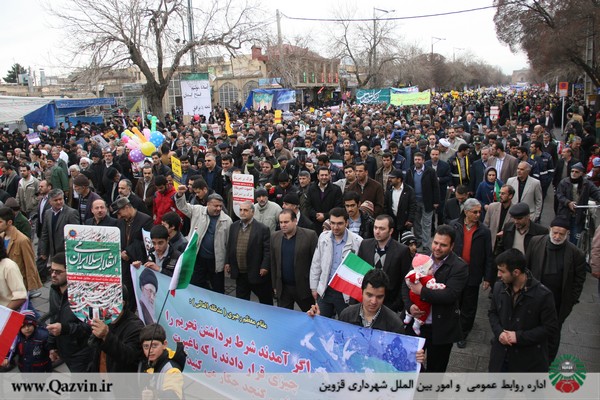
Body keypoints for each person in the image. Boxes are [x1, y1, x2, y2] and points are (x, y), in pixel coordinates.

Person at [307, 269, 425, 364]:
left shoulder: (394, 324)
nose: (373, 301)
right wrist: (317, 321)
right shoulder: (347, 315)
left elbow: (400, 358)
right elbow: (335, 344)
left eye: (379, 297)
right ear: (362, 291)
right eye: (369, 295)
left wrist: (413, 356)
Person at [403, 224, 468, 372]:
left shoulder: (459, 267)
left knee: (436, 372)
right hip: (416, 325)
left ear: (452, 246)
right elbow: (405, 285)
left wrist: (422, 291)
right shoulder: (422, 258)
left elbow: (450, 295)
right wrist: (409, 307)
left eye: (443, 245)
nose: (437, 248)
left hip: (441, 329)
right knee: (409, 365)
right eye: (435, 243)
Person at [525, 216, 587, 363]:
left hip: (557, 302)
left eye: (561, 234)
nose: (557, 236)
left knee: (552, 332)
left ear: (567, 234)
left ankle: (548, 360)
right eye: (555, 233)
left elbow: (578, 281)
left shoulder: (576, 254)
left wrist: (570, 301)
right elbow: (526, 267)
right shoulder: (535, 242)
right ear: (550, 230)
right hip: (534, 297)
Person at [489, 249, 559, 372]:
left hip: (527, 361)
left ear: (516, 272)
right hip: (500, 357)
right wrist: (499, 332)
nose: (498, 275)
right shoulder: (499, 287)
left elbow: (549, 328)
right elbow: (493, 313)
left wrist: (518, 337)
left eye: (502, 271)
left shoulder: (543, 295)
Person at [448, 199, 493, 348]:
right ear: (466, 212)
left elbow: (488, 255)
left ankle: (463, 332)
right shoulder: (454, 226)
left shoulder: (484, 231)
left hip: (473, 273)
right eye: (475, 212)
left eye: (480, 212)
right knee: (453, 301)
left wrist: (487, 277)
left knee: (469, 305)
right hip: (455, 272)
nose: (478, 215)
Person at [309, 207, 363, 318]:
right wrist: (314, 288)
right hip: (325, 289)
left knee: (345, 323)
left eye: (339, 223)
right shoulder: (323, 237)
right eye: (332, 223)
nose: (335, 227)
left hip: (345, 292)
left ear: (347, 223)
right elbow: (316, 264)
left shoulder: (358, 241)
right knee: (321, 322)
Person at [176, 188, 232, 293]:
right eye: (216, 206)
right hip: (198, 258)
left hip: (216, 261)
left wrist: (227, 262)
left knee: (218, 288)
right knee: (196, 285)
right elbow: (182, 206)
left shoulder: (227, 220)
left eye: (220, 206)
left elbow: (229, 243)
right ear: (208, 204)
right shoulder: (197, 211)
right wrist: (180, 195)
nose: (219, 208)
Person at [46, 252, 92, 372]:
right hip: (64, 349)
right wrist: (52, 346)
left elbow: (90, 326)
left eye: (58, 272)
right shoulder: (54, 290)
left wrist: (65, 329)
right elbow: (54, 317)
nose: (53, 275)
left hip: (82, 353)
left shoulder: (83, 294)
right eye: (51, 270)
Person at [357, 215, 412, 312]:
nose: (377, 231)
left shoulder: (402, 251)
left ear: (391, 231)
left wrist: (396, 304)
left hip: (389, 305)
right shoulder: (365, 245)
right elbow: (358, 272)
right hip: (365, 302)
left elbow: (405, 280)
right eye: (375, 228)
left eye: (382, 229)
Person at [224, 201, 273, 305]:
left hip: (256, 272)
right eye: (241, 210)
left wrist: (265, 266)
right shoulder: (234, 226)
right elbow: (230, 245)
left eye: (245, 210)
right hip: (240, 273)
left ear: (252, 212)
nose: (242, 212)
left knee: (265, 301)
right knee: (241, 302)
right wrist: (227, 262)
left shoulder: (262, 229)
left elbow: (267, 250)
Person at [271, 209, 318, 312]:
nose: (283, 225)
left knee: (310, 316)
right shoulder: (275, 237)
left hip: (304, 288)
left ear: (295, 221)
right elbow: (273, 263)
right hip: (283, 288)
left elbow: (316, 263)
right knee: (284, 317)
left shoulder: (310, 236)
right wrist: (275, 285)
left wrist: (315, 286)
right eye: (281, 222)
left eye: (286, 222)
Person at [88, 286, 144, 372]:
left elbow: (129, 357)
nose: (103, 305)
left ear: (122, 303)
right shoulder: (104, 319)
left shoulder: (135, 327)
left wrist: (106, 335)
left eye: (108, 300)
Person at [112, 197, 153, 311]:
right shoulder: (120, 222)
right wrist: (121, 252)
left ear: (127, 207)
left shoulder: (145, 220)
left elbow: (146, 242)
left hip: (138, 263)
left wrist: (129, 252)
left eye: (120, 212)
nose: (119, 216)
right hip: (124, 263)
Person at [38, 189, 80, 279]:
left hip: (67, 253)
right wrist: (43, 251)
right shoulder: (48, 213)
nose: (59, 202)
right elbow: (45, 233)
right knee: (56, 276)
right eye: (56, 200)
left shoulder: (71, 213)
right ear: (50, 202)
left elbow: (76, 236)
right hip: (54, 253)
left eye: (60, 199)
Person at [555, 162, 600, 244]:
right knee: (561, 235)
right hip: (564, 214)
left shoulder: (587, 184)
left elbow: (596, 193)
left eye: (576, 172)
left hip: (578, 215)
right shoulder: (564, 182)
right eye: (572, 171)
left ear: (581, 173)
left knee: (575, 238)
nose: (573, 173)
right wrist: (568, 203)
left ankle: (573, 250)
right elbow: (560, 195)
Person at [0, 207, 42, 295]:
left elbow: (30, 264)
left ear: (9, 222)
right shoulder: (1, 237)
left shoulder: (22, 240)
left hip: (18, 284)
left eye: (0, 222)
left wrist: (30, 288)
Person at [405, 152, 440, 253]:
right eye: (415, 159)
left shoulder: (430, 171)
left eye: (419, 160)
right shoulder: (410, 171)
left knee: (426, 224)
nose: (417, 161)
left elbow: (435, 186)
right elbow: (406, 186)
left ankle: (426, 245)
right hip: (414, 201)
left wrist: (436, 201)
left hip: (427, 202)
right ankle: (418, 240)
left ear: (423, 161)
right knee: (416, 223)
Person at [138, 324, 184, 400]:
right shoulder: (149, 363)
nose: (150, 351)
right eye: (146, 346)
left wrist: (154, 394)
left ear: (164, 344)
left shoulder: (172, 370)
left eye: (154, 345)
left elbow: (173, 396)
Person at [404, 254, 447, 335]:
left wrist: (419, 290)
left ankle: (407, 318)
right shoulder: (428, 278)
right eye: (430, 268)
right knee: (423, 311)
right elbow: (433, 286)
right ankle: (416, 324)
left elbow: (451, 294)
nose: (432, 269)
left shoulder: (413, 273)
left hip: (413, 296)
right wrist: (442, 286)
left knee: (418, 311)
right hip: (420, 302)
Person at [306, 167, 343, 233]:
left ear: (329, 176)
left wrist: (325, 215)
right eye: (322, 175)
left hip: (331, 224)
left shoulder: (336, 189)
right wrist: (315, 214)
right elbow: (308, 206)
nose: (324, 177)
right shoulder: (311, 189)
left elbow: (338, 206)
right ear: (318, 176)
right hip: (314, 224)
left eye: (326, 175)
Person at [384, 169, 416, 240]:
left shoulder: (409, 190)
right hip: (392, 220)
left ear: (399, 179)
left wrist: (410, 220)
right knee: (392, 241)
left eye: (392, 178)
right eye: (390, 177)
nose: (390, 180)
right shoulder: (389, 190)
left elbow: (412, 206)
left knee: (405, 241)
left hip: (405, 221)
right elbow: (386, 205)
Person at [484, 184, 515, 255]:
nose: (500, 195)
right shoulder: (492, 207)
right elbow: (485, 225)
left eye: (503, 194)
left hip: (505, 248)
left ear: (510, 196)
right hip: (491, 246)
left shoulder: (515, 210)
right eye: (499, 193)